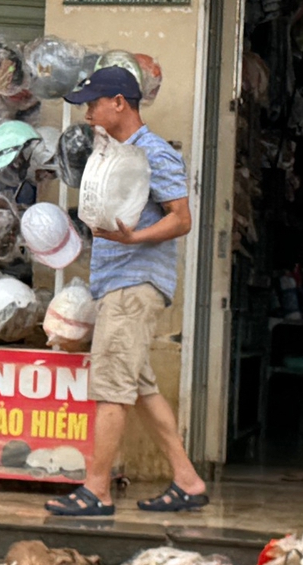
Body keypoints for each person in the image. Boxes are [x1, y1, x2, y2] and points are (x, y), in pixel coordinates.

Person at [46, 66, 210, 516]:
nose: (87, 114)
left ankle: (96, 490)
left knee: (111, 390)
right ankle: (188, 481)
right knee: (139, 389)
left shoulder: (152, 153)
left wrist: (134, 239)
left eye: (93, 104)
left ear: (119, 102)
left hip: (132, 285)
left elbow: (182, 218)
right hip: (117, 285)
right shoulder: (114, 153)